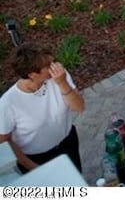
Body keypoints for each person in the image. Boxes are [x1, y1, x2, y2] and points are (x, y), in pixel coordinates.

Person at [0, 43, 85, 174]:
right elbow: (4, 141)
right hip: (38, 159)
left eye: (53, 61)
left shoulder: (59, 77)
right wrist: (32, 167)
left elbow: (79, 107)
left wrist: (62, 83)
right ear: (32, 74)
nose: (55, 66)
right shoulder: (8, 102)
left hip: (67, 143)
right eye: (48, 65)